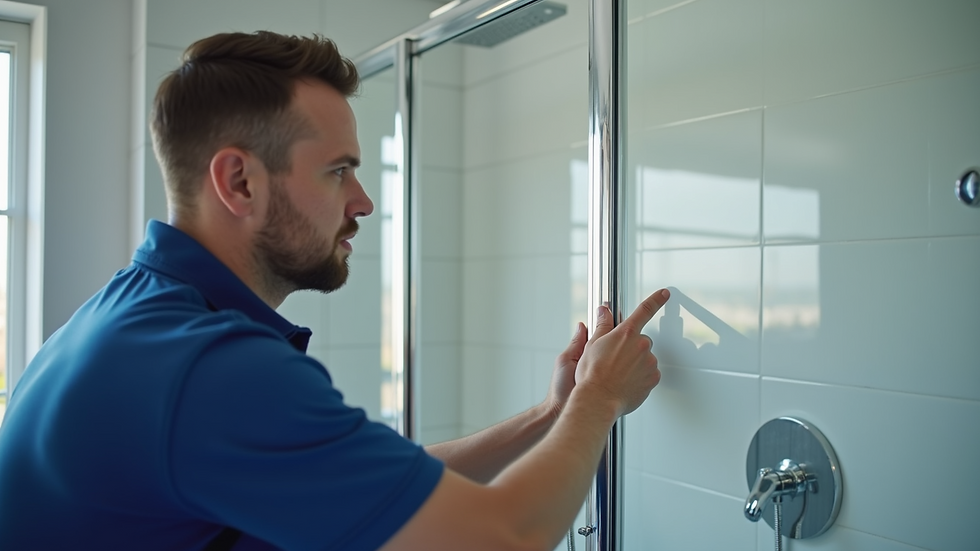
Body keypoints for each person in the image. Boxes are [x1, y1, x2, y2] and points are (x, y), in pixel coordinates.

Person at [0, 31, 670, 551]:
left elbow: (378, 484)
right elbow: (501, 538)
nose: (365, 200)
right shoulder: (207, 367)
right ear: (239, 182)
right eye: (339, 171)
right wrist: (598, 402)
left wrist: (549, 416)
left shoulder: (134, 317)